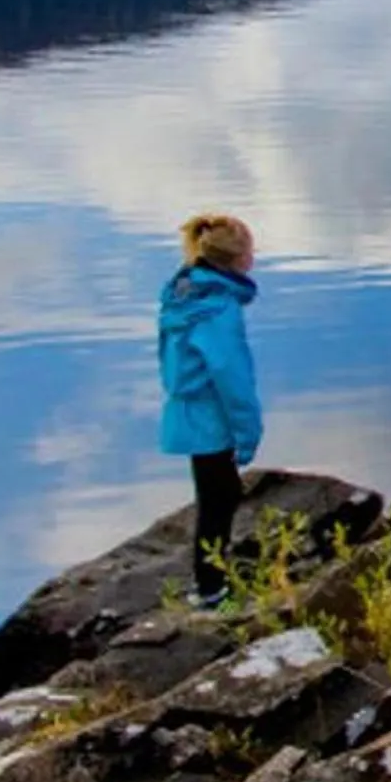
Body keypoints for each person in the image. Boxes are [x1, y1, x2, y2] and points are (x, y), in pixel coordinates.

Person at [158, 213, 265, 606]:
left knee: (215, 494)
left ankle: (210, 582)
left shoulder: (182, 296)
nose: (254, 257)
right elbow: (229, 373)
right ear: (238, 259)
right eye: (252, 250)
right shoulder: (219, 308)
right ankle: (211, 590)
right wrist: (248, 430)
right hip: (211, 416)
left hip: (186, 411)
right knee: (219, 500)